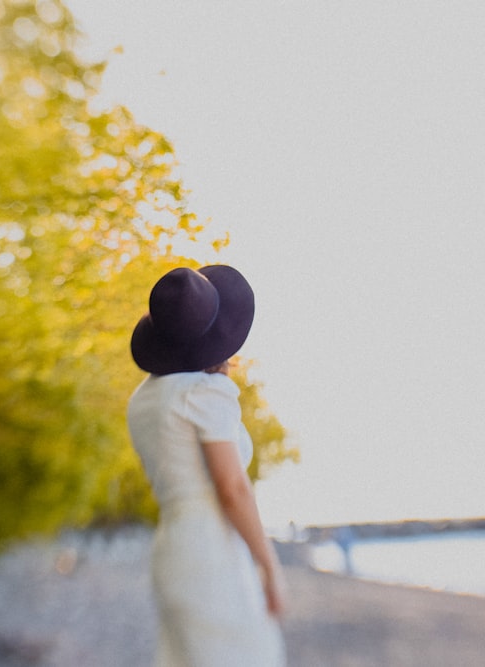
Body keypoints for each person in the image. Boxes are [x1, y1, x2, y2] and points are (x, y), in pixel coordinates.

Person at [127, 265, 287, 666]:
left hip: (173, 547)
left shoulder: (143, 399)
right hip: (210, 554)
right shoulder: (204, 392)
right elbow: (232, 489)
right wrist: (269, 566)